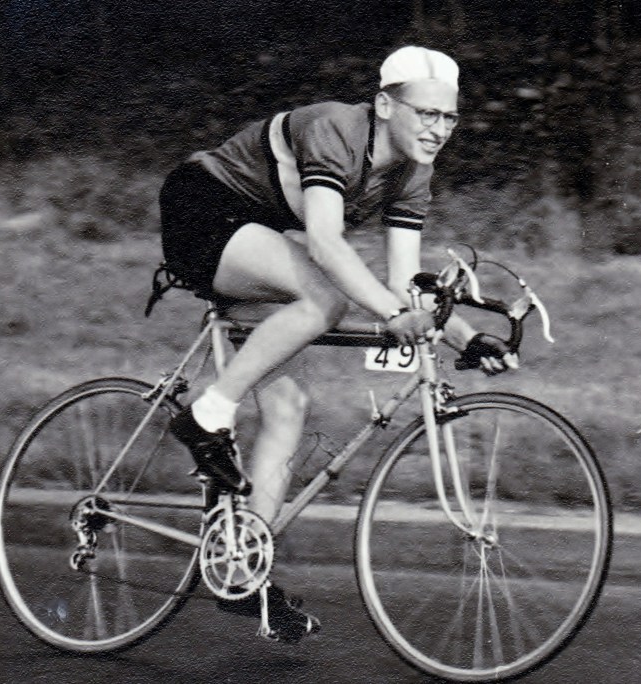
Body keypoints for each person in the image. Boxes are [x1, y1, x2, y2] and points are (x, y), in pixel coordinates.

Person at [157, 45, 518, 643]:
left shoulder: (414, 169)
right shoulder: (334, 130)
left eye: (449, 118)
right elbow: (325, 243)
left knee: (290, 405)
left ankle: (240, 570)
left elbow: (406, 284)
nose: (439, 130)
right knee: (327, 300)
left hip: (263, 236)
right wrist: (392, 313)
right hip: (203, 210)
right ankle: (206, 415)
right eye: (427, 114)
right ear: (383, 104)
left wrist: (464, 335)